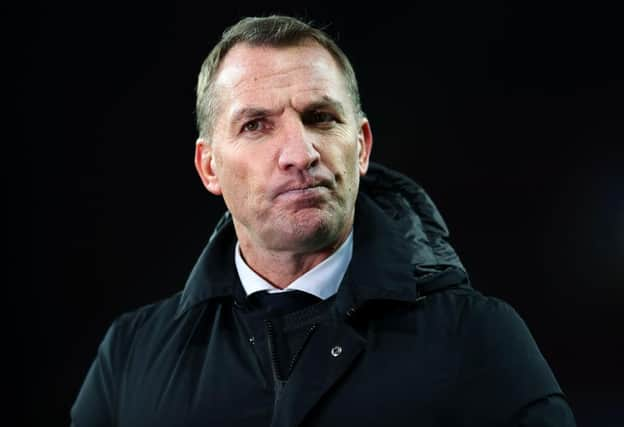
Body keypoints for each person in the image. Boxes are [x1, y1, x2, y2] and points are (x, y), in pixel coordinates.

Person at [71, 15, 576, 427]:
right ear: (209, 167)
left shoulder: (479, 337)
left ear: (361, 147)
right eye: (256, 125)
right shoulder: (132, 355)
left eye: (320, 117)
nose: (300, 151)